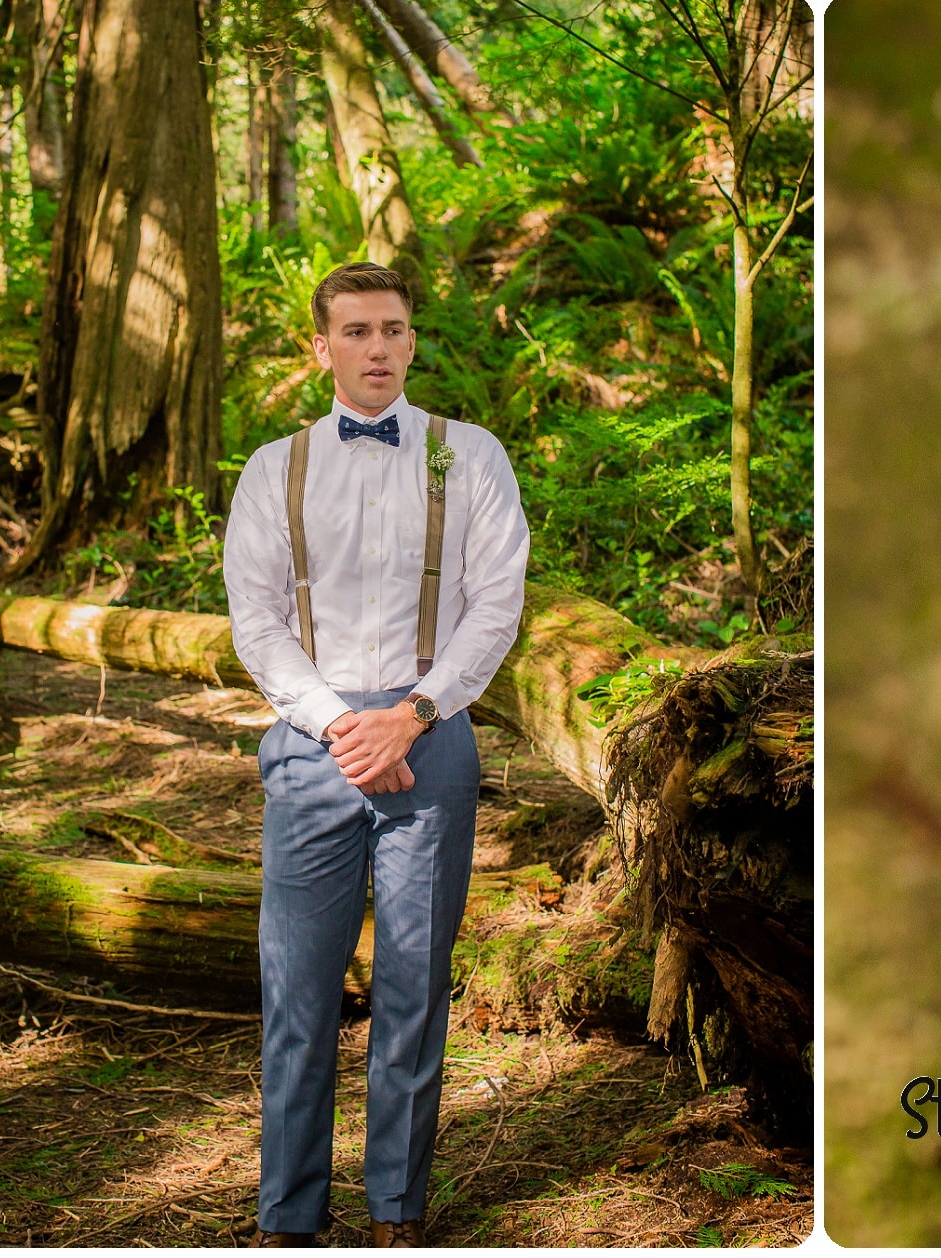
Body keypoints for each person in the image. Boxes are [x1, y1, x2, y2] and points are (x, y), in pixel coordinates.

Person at [222, 261, 530, 1247]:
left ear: (412, 339)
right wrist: (335, 723)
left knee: (411, 982)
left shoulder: (467, 453)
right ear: (320, 348)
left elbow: (497, 602)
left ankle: (397, 1209)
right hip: (313, 749)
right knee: (299, 991)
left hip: (430, 739)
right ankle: (289, 1217)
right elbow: (257, 622)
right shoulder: (277, 466)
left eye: (393, 329)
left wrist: (412, 713)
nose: (379, 348)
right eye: (355, 331)